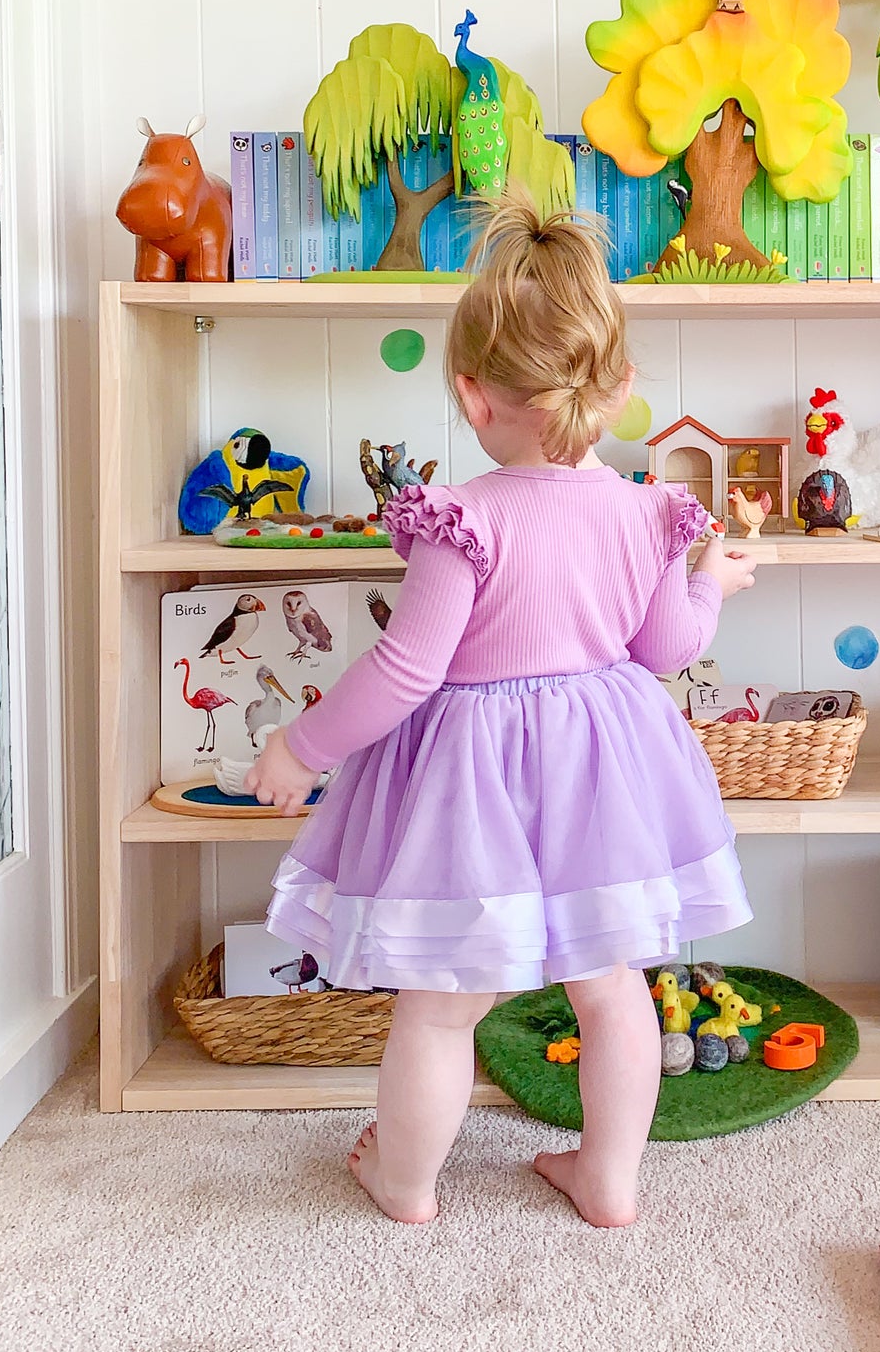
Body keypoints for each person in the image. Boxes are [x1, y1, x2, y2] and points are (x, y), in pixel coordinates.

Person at [246, 194, 756, 1230]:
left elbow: (404, 670)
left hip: (472, 783)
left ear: (473, 399)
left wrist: (298, 746)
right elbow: (664, 649)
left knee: (440, 1004)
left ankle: (405, 1181)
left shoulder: (460, 518)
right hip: (597, 773)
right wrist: (716, 584)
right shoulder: (648, 508)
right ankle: (608, 1180)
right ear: (614, 390)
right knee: (609, 987)